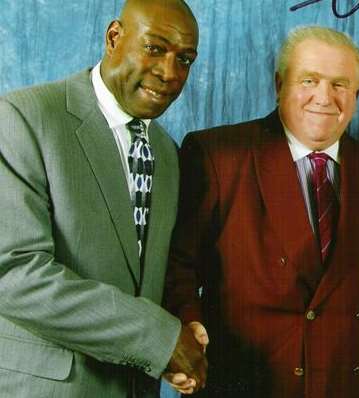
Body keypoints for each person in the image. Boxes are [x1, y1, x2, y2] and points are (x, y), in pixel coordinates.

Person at [166, 26, 359, 397]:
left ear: (357, 94)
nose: (324, 97)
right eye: (309, 80)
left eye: (340, 84)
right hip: (248, 382)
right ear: (279, 84)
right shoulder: (218, 155)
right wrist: (187, 328)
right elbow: (177, 267)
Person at [0, 0, 208, 396]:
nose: (169, 73)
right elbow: (12, 273)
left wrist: (184, 322)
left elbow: (139, 276)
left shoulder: (165, 151)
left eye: (185, 59)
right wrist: (160, 339)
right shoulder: (21, 118)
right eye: (154, 48)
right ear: (114, 37)